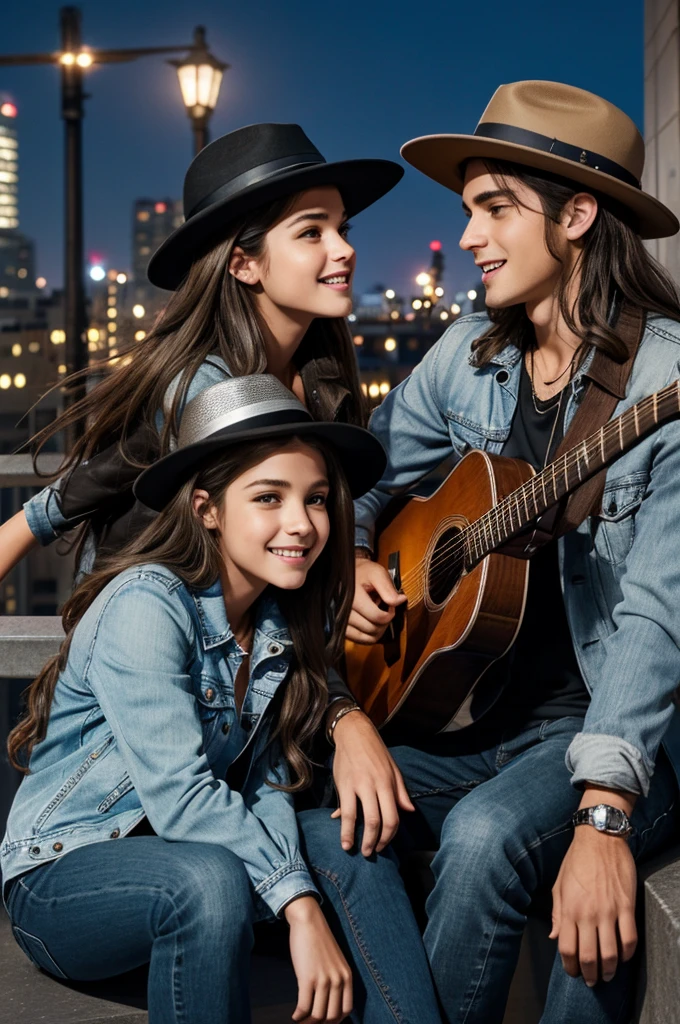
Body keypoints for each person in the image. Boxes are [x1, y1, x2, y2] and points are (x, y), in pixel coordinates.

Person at [348, 80, 680, 1024]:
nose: (468, 238)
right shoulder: (464, 358)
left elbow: (658, 611)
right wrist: (367, 558)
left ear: (577, 215)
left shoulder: (663, 380)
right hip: (462, 714)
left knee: (489, 838)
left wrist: (604, 815)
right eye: (468, 212)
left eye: (495, 209)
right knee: (314, 791)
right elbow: (365, 479)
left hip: (599, 729)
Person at [0, 122, 411, 859]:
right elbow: (103, 476)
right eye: (311, 232)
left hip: (268, 672)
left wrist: (355, 551)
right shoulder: (208, 389)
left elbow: (302, 536)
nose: (344, 249)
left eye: (342, 229)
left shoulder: (319, 381)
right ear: (246, 265)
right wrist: (345, 718)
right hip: (186, 677)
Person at [1, 375, 441, 1024]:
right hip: (69, 874)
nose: (302, 524)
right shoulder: (146, 605)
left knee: (352, 843)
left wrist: (299, 886)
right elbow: (182, 797)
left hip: (202, 858)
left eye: (316, 499)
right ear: (207, 509)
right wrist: (299, 906)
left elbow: (259, 782)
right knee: (207, 882)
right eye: (269, 497)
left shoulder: (275, 620)